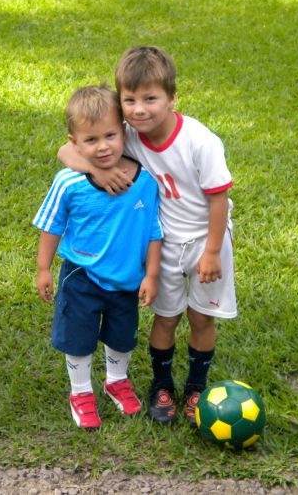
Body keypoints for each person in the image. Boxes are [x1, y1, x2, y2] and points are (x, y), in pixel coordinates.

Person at [57, 46, 237, 425]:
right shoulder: (129, 136)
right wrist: (100, 173)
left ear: (172, 98)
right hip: (165, 242)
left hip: (207, 240)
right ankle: (161, 385)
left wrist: (212, 251)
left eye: (151, 99)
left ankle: (196, 388)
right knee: (166, 317)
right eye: (130, 100)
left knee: (202, 317)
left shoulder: (201, 141)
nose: (140, 109)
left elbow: (219, 199)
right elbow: (65, 150)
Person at [34, 85, 163, 430]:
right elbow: (51, 226)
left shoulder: (146, 182)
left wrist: (151, 275)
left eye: (109, 135)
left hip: (127, 279)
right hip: (82, 277)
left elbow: (153, 232)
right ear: (73, 142)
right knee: (79, 337)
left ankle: (116, 381)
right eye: (90, 140)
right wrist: (44, 269)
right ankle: (80, 391)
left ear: (123, 132)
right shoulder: (68, 183)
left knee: (122, 336)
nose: (103, 146)